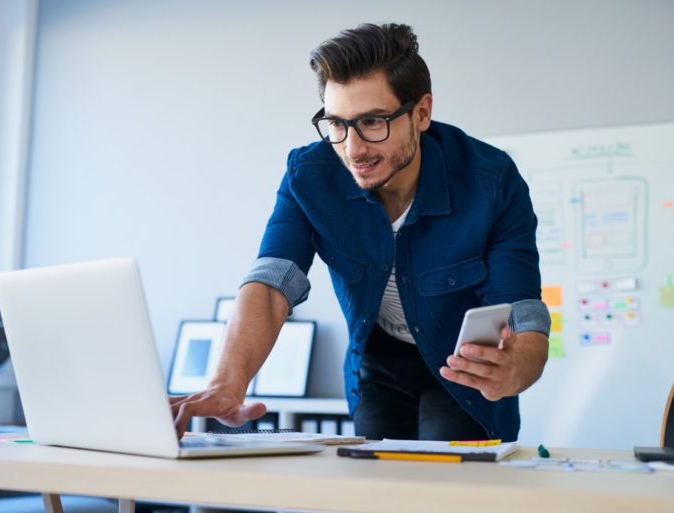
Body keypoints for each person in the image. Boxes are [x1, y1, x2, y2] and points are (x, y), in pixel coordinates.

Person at [171, 23, 550, 441]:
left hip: (462, 368)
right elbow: (271, 283)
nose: (352, 149)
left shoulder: (492, 180)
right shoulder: (309, 176)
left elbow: (522, 310)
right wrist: (227, 383)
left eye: (372, 122)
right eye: (336, 124)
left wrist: (519, 367)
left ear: (421, 113)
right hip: (379, 362)